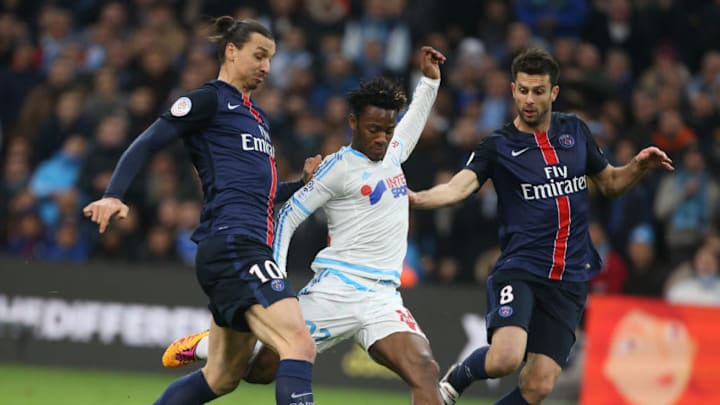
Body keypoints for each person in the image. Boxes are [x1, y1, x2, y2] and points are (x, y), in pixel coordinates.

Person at [162, 46, 448, 404]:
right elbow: (287, 216)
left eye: (387, 130)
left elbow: (414, 121)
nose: (381, 137)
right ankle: (208, 346)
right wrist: (275, 286)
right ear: (354, 123)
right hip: (337, 289)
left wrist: (430, 81)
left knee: (426, 371)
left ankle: (212, 345)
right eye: (374, 129)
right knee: (255, 371)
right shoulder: (336, 168)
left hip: (383, 297)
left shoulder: (393, 152)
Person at [409, 48, 674, 405]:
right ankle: (454, 381)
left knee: (539, 385)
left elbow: (610, 183)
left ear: (554, 93)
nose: (529, 100)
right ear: (513, 90)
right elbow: (460, 186)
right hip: (521, 267)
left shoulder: (575, 132)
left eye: (538, 91)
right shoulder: (498, 145)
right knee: (505, 357)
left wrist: (638, 166)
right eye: (523, 90)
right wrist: (416, 198)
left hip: (570, 276)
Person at [83, 18, 321, 405]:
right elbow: (147, 141)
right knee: (299, 343)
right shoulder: (208, 100)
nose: (266, 67)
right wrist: (114, 194)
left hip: (240, 245)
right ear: (231, 51)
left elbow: (263, 193)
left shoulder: (257, 118)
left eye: (270, 59)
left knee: (222, 377)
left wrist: (302, 183)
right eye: (259, 56)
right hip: (234, 245)